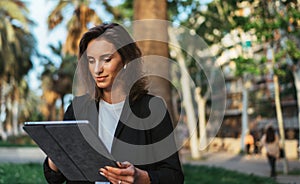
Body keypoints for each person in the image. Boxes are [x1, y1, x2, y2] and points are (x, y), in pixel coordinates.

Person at [43, 23, 184, 184]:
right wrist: (56, 155)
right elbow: (54, 178)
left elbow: (174, 177)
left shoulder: (151, 108)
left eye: (106, 59)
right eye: (91, 60)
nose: (97, 69)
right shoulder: (78, 108)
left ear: (125, 60)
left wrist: (140, 178)